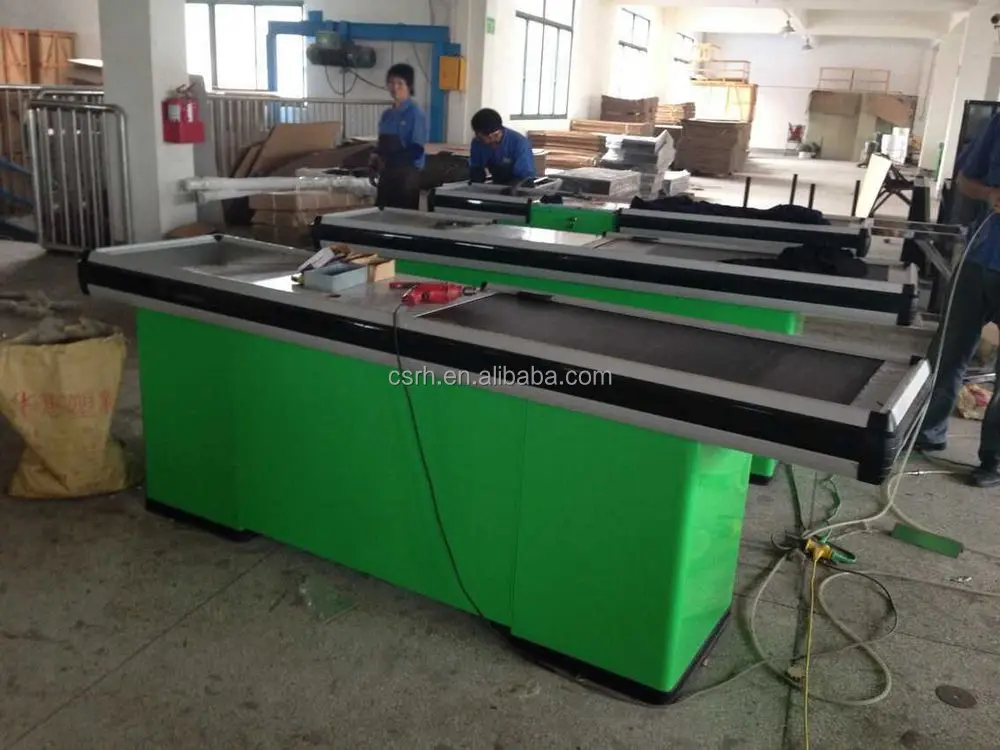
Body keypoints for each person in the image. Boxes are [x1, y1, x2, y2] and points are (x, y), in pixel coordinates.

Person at [917, 112, 1000, 487]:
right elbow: (966, 180)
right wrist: (990, 194)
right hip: (979, 257)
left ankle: (993, 460)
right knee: (947, 351)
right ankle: (927, 432)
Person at [370, 63, 427, 210]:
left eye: (400, 83)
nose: (395, 87)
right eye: (391, 82)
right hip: (387, 172)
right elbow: (382, 143)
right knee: (381, 213)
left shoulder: (415, 113)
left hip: (407, 174)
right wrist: (375, 158)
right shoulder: (387, 115)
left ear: (409, 85)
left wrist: (394, 159)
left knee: (402, 216)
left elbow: (417, 149)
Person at [468, 108, 536, 185]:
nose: (476, 137)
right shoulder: (477, 143)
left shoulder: (519, 143)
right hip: (497, 183)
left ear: (492, 135)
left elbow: (525, 177)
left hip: (521, 184)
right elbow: (476, 169)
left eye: (479, 135)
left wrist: (512, 188)